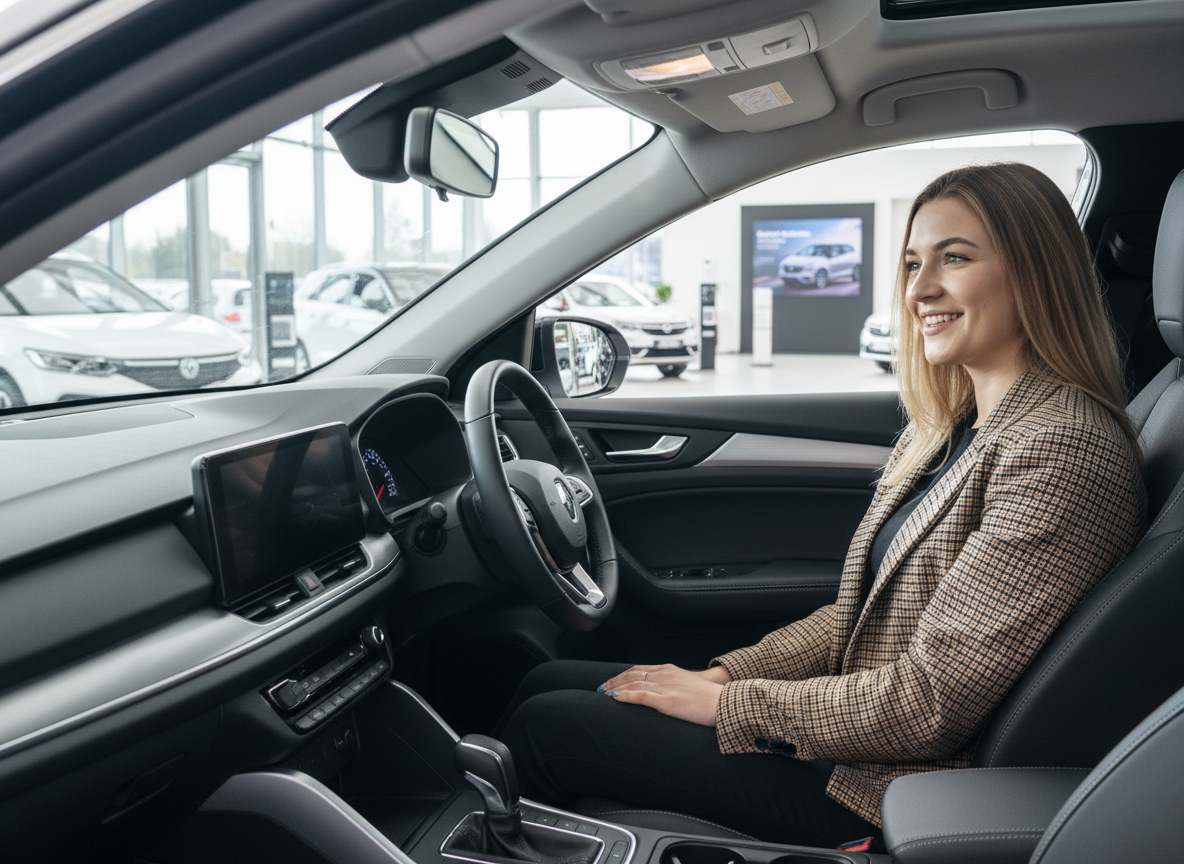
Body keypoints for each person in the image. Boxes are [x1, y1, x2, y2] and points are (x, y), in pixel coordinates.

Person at [497, 163, 1147, 847]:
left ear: (1036, 272)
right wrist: (723, 673)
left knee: (551, 728)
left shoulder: (1064, 446)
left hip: (888, 788)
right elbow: (857, 614)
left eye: (954, 258)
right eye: (911, 263)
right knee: (549, 678)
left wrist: (725, 705)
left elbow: (932, 703)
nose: (920, 289)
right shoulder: (958, 428)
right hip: (853, 740)